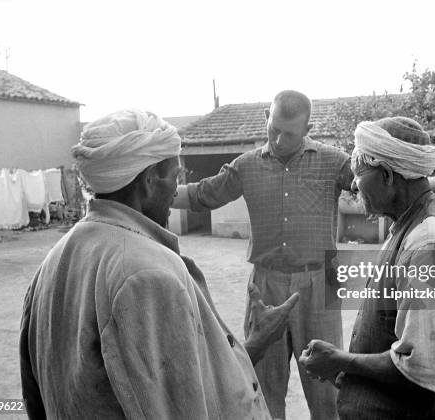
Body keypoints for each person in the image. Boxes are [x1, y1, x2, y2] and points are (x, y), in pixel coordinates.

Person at [172, 91, 435, 419]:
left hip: (318, 282)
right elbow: (203, 194)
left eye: (290, 133)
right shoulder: (246, 166)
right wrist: (150, 193)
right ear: (265, 120)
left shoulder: (332, 161)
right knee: (263, 387)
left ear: (308, 127)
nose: (280, 139)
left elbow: (391, 182)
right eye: (274, 129)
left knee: (325, 387)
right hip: (265, 284)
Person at [19, 109, 300, 419]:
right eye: (175, 177)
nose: (175, 192)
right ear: (150, 180)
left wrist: (256, 343)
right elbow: (178, 408)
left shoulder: (55, 259)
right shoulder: (147, 275)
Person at [299, 117, 435, 419]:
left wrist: (340, 361)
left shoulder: (431, 245)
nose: (353, 184)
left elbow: (420, 371)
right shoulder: (410, 219)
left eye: (359, 173)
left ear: (389, 176)